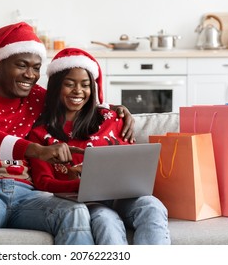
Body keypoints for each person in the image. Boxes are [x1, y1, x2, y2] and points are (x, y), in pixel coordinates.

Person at [0, 22, 135, 245]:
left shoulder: (37, 98)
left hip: (29, 197)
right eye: (22, 65)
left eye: (36, 67)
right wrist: (36, 150)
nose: (30, 75)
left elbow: (75, 99)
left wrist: (117, 110)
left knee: (76, 211)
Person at [27, 47, 171, 245]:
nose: (78, 91)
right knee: (106, 221)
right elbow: (43, 182)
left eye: (85, 85)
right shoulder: (40, 133)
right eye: (69, 84)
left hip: (125, 197)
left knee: (152, 206)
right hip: (88, 202)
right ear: (55, 88)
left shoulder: (111, 118)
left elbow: (132, 160)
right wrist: (85, 185)